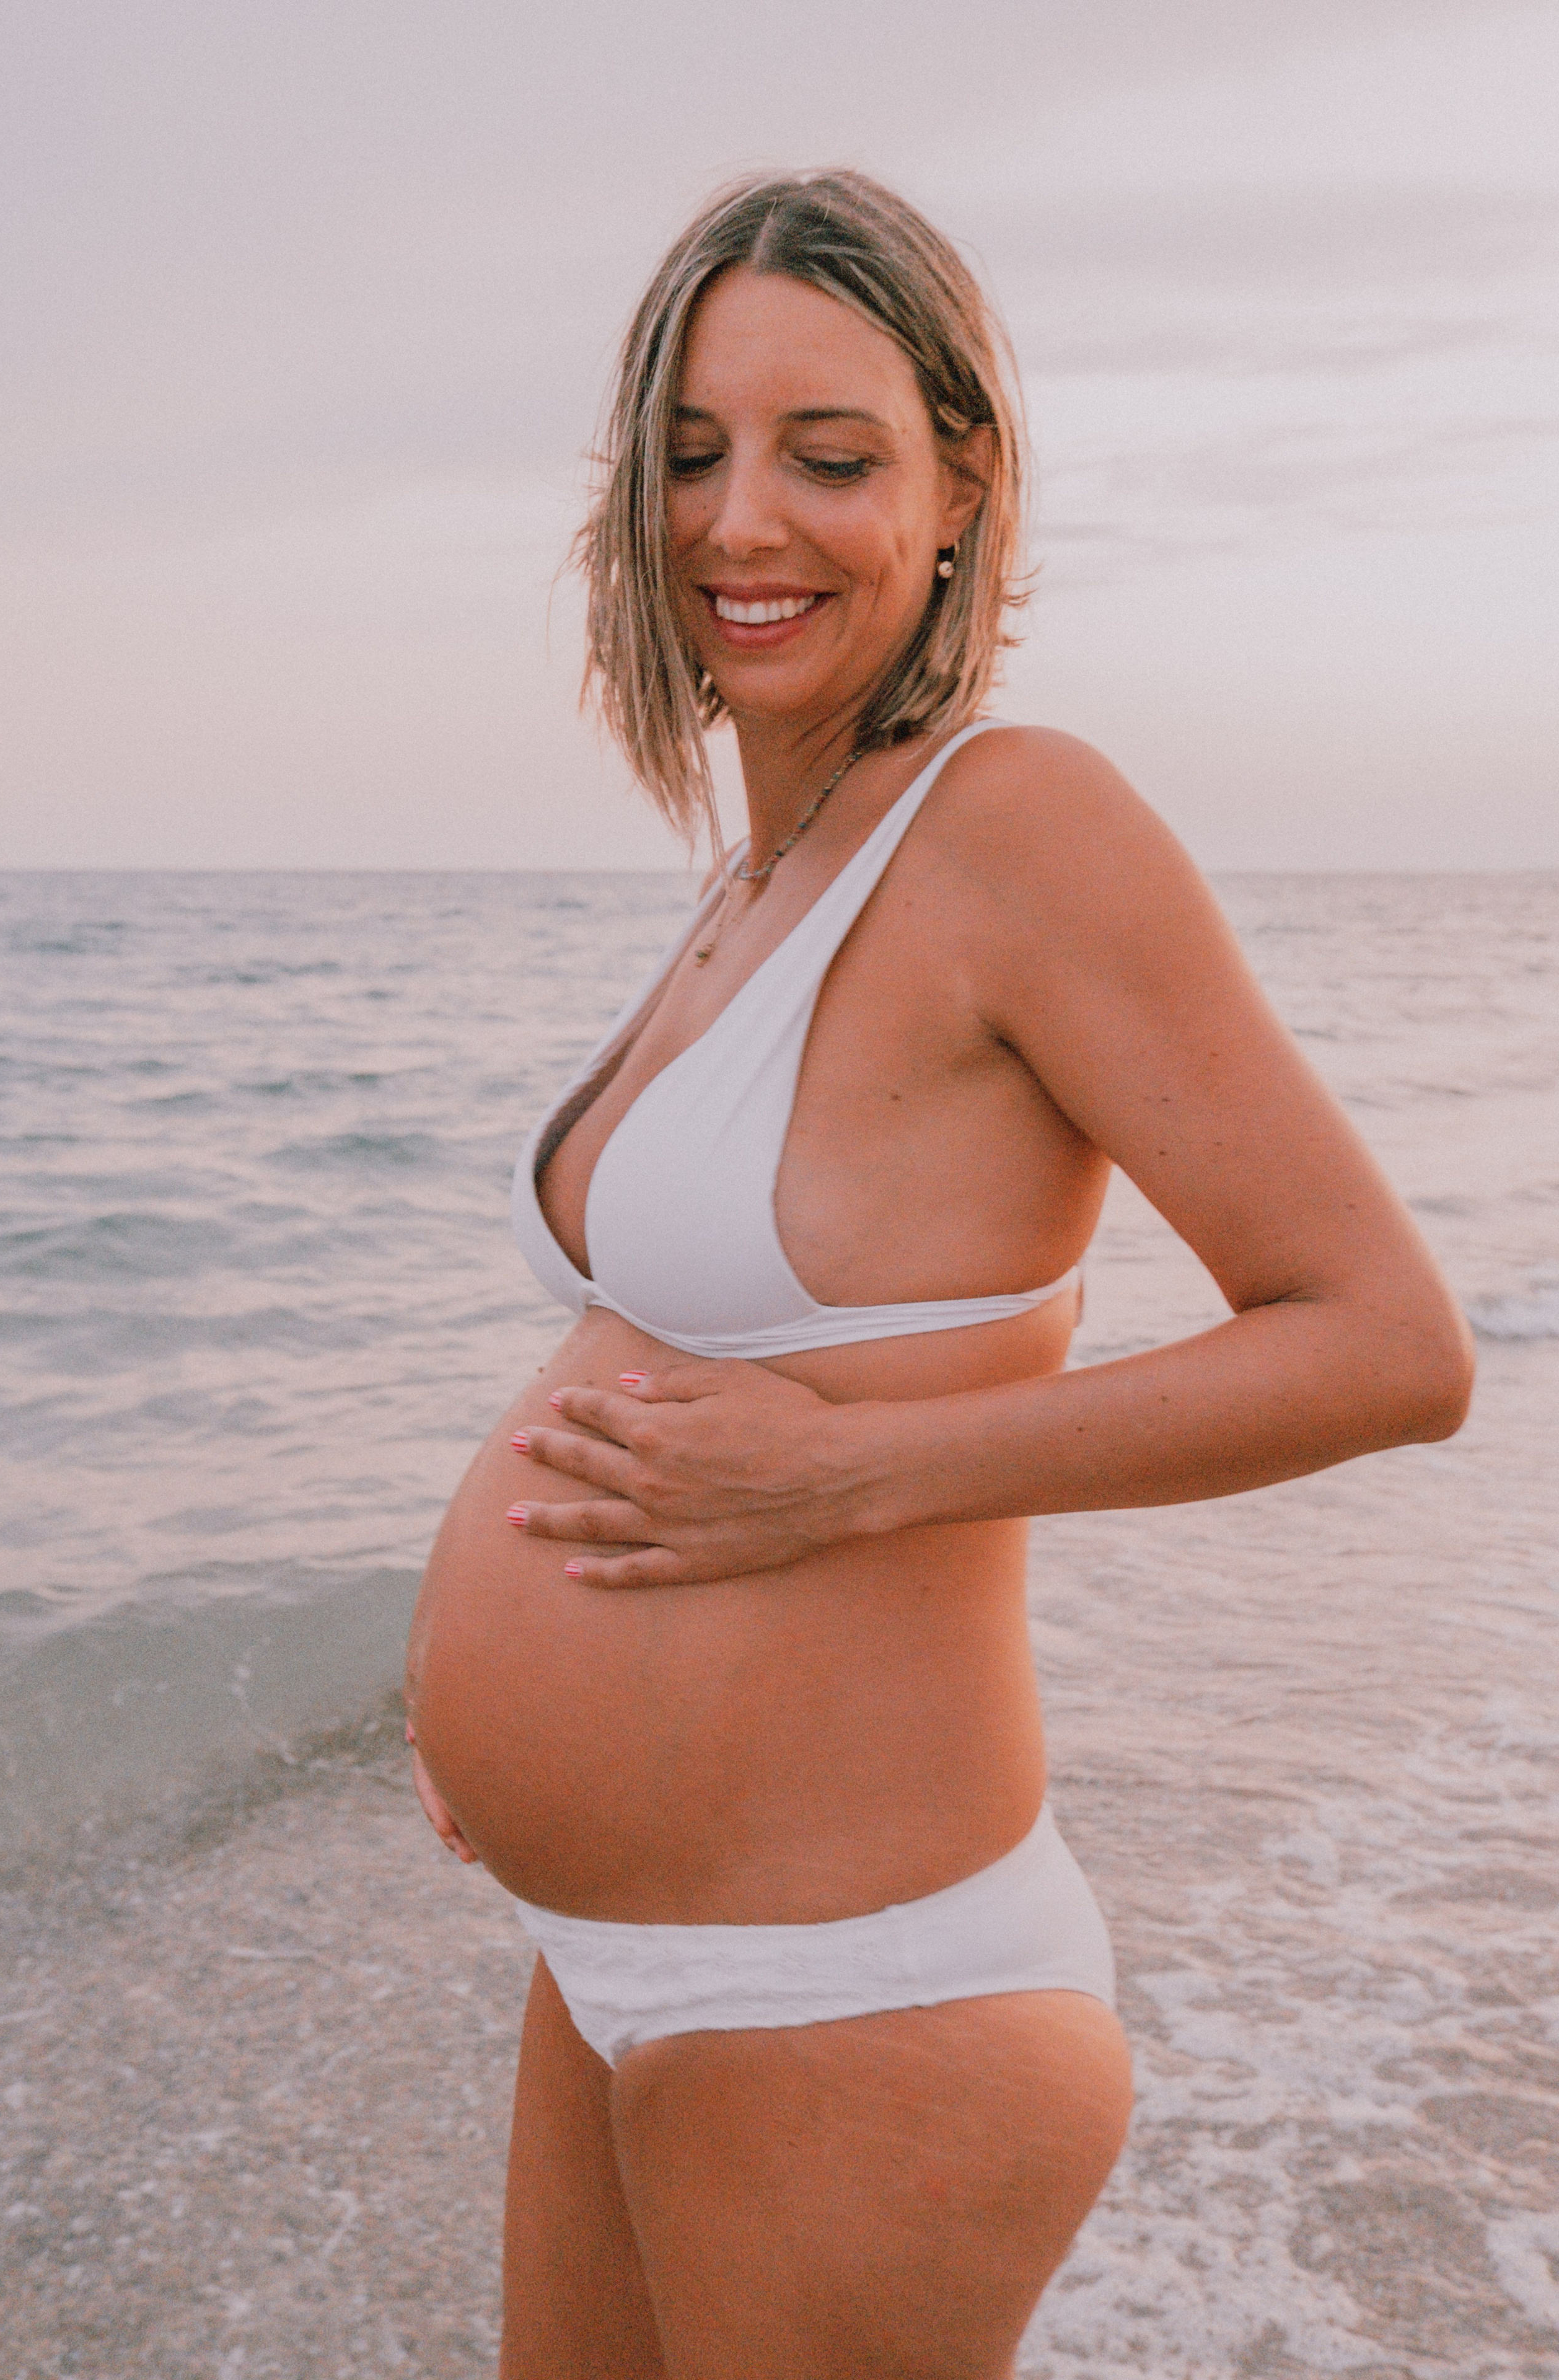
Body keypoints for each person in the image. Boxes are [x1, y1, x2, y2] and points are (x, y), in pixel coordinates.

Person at [403, 169, 1472, 2379]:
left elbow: (1387, 1346)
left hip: (853, 1993)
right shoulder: (767, 863)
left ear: (963, 476)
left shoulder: (1018, 822)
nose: (743, 522)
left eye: (830, 452)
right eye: (690, 454)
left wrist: (846, 1485)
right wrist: (526, 1699)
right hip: (614, 1950)